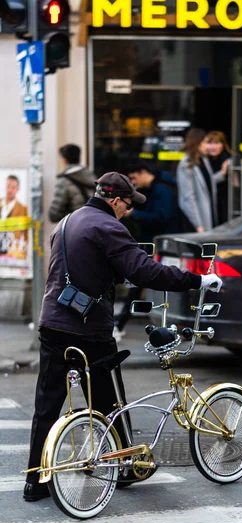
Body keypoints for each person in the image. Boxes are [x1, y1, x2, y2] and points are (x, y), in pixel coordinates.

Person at [24, 171, 222, 502]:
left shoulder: (68, 222)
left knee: (47, 404)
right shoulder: (109, 227)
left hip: (53, 322)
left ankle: (35, 482)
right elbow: (146, 271)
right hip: (89, 328)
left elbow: (80, 265)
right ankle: (127, 465)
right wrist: (196, 280)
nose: (128, 212)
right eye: (128, 206)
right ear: (115, 200)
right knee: (109, 400)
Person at [112, 163, 181, 342]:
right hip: (155, 243)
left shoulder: (161, 191)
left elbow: (162, 217)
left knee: (141, 282)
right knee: (141, 282)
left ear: (144, 172)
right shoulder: (156, 189)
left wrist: (135, 215)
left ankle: (119, 323)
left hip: (160, 243)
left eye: (134, 178)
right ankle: (119, 323)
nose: (133, 183)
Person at [177, 128, 226, 233]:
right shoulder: (186, 164)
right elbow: (188, 198)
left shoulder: (204, 160)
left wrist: (223, 173)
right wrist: (198, 225)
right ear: (197, 143)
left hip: (209, 215)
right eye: (205, 142)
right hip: (197, 221)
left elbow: (208, 183)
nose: (208, 146)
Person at [48, 144, 96, 223]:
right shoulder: (92, 176)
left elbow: (54, 215)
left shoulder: (64, 182)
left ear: (64, 160)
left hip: (75, 227)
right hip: (93, 225)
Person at [206, 131, 232, 225]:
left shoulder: (228, 160)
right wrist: (222, 173)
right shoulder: (203, 161)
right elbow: (206, 183)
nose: (212, 147)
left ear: (223, 145)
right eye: (209, 143)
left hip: (224, 203)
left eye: (216, 143)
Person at [0, 175, 28, 259]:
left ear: (17, 189)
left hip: (12, 251)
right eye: (8, 186)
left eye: (13, 187)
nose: (9, 190)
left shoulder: (23, 209)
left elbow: (25, 234)